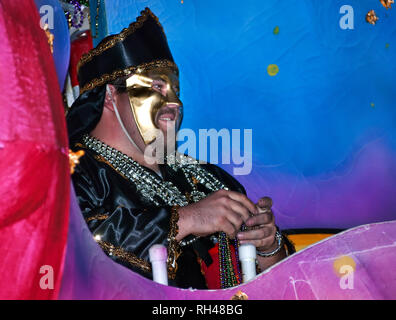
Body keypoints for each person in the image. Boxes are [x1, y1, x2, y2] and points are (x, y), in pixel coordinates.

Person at [67, 7, 294, 289]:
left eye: (176, 90)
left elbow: (276, 283)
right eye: (157, 87)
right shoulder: (72, 173)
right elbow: (74, 249)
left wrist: (267, 247)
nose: (175, 102)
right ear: (112, 95)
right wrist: (186, 219)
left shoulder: (208, 178)